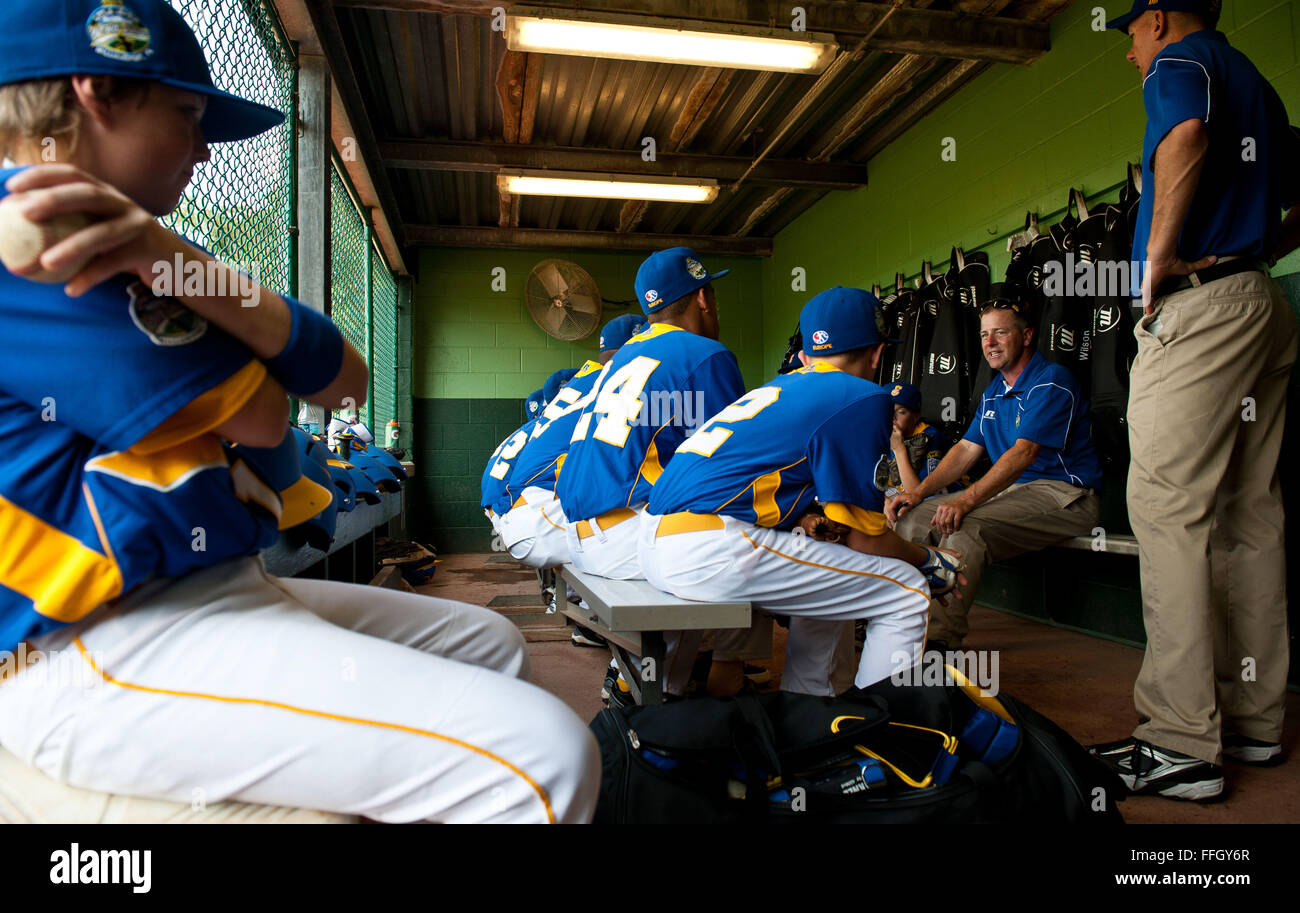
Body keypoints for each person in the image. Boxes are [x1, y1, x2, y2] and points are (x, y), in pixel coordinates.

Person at [0, 0, 597, 824]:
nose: (205, 148)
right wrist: (251, 345)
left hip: (202, 590)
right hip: (92, 638)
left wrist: (175, 257)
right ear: (96, 92)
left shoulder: (139, 246)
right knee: (548, 757)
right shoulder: (33, 229)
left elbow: (343, 377)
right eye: (187, 114)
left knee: (489, 641)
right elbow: (268, 415)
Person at [1089, 0, 1300, 801]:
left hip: (1203, 311)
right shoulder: (1256, 83)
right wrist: (1260, 253)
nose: (1131, 52)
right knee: (1249, 514)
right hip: (1261, 306)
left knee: (1167, 507)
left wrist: (1158, 259)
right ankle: (1252, 719)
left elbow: (1183, 136)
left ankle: (1180, 739)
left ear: (1163, 18)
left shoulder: (1185, 62)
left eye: (1132, 32)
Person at [639, 287, 966, 697]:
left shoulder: (775, 389)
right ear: (878, 354)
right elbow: (867, 539)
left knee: (837, 571)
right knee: (907, 589)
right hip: (707, 548)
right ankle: (877, 735)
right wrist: (930, 561)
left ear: (807, 356)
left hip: (653, 539)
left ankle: (813, 707)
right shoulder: (862, 396)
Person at [887, 301, 1103, 651]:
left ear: (1027, 335)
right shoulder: (993, 392)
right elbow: (966, 451)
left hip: (1065, 496)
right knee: (910, 518)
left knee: (965, 526)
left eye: (1001, 332)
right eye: (985, 334)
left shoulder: (1051, 380)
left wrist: (965, 500)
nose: (990, 342)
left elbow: (1024, 453)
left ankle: (938, 644)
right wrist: (920, 492)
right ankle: (901, 625)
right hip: (1016, 493)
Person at [875, 381, 950, 500]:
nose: (891, 417)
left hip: (939, 502)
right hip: (895, 499)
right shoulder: (878, 433)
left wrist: (899, 450)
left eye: (901, 412)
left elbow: (917, 495)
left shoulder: (930, 437)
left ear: (916, 416)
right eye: (886, 410)